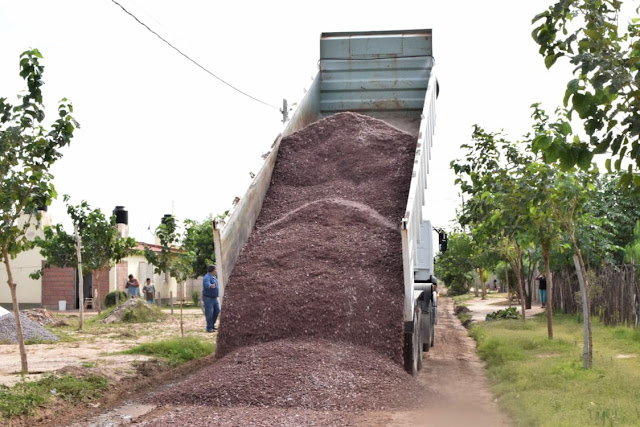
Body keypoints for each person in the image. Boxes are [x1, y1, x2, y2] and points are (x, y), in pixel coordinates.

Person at [202, 265, 220, 333]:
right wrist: (210, 286)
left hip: (214, 298)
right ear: (212, 270)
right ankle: (209, 328)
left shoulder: (213, 277)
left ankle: (212, 325)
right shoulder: (207, 277)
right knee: (209, 313)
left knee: (217, 311)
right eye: (215, 269)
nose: (216, 271)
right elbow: (207, 284)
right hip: (208, 299)